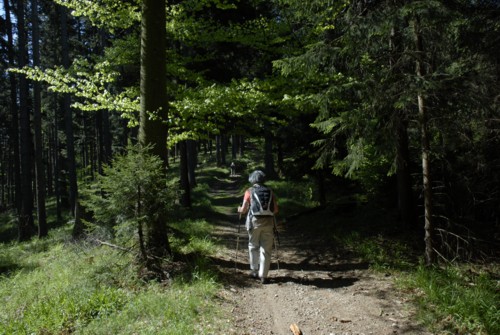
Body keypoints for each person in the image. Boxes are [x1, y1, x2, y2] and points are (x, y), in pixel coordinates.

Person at [237, 170, 278, 284]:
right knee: (266, 249)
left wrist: (239, 209)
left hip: (254, 222)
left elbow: (244, 209)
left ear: (252, 180)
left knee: (253, 246)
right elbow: (275, 210)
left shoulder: (249, 191)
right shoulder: (270, 191)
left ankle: (254, 271)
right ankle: (263, 275)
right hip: (269, 222)